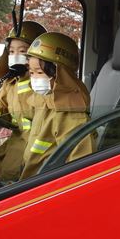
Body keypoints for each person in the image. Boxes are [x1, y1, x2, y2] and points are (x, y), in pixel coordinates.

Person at [0, 21, 46, 183]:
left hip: (32, 142)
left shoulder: (41, 83)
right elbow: (1, 103)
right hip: (16, 138)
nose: (16, 56)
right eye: (12, 51)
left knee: (6, 172)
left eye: (23, 51)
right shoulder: (10, 82)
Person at [20, 32, 95, 179]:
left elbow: (80, 166)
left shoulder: (71, 114)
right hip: (29, 178)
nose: (34, 78)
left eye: (39, 72)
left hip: (42, 184)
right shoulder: (45, 99)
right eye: (31, 72)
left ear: (61, 74)